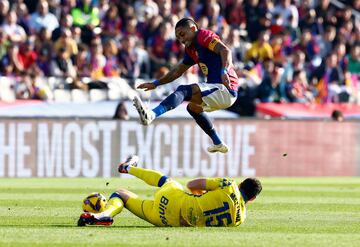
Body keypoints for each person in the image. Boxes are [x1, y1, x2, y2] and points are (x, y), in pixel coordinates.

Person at [132, 17, 240, 153]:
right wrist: (156, 83)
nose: (181, 40)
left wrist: (224, 71)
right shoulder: (191, 50)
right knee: (193, 108)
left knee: (184, 90)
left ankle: (151, 114)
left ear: (193, 29)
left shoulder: (202, 36)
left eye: (182, 34)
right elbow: (177, 71)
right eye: (178, 38)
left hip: (226, 88)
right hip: (218, 90)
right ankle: (218, 142)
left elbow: (225, 51)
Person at [78, 155, 262, 227]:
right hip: (166, 222)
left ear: (240, 185)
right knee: (125, 196)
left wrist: (199, 195)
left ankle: (128, 169)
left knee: (167, 182)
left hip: (172, 201)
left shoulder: (229, 184)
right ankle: (102, 216)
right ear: (252, 199)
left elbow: (192, 184)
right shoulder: (240, 220)